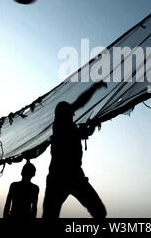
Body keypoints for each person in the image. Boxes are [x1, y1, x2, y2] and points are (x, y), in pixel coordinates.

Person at [42, 81, 107, 218]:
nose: (73, 115)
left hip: (73, 176)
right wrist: (95, 87)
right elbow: (80, 102)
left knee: (99, 211)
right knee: (50, 216)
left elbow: (86, 133)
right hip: (59, 177)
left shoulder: (70, 127)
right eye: (71, 113)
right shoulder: (60, 125)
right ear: (63, 113)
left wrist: (92, 126)